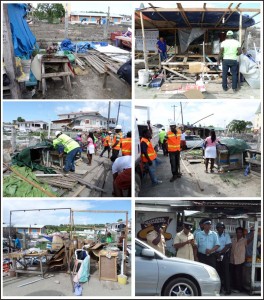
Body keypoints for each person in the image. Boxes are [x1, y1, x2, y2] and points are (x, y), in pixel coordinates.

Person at [230, 226, 254, 293]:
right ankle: (234, 287)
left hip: (240, 260)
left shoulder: (244, 240)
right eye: (238, 232)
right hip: (232, 260)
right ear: (236, 233)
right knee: (233, 274)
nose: (239, 233)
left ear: (242, 233)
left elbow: (250, 240)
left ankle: (239, 289)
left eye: (240, 232)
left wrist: (253, 233)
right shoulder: (233, 240)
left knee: (238, 275)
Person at [215, 222, 232, 295]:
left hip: (223, 255)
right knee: (217, 273)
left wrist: (221, 253)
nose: (220, 229)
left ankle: (228, 290)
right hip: (216, 255)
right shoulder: (214, 235)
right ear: (217, 228)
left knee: (226, 273)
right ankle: (219, 289)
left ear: (223, 228)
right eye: (219, 228)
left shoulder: (226, 235)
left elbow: (228, 245)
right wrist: (216, 253)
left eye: (222, 228)